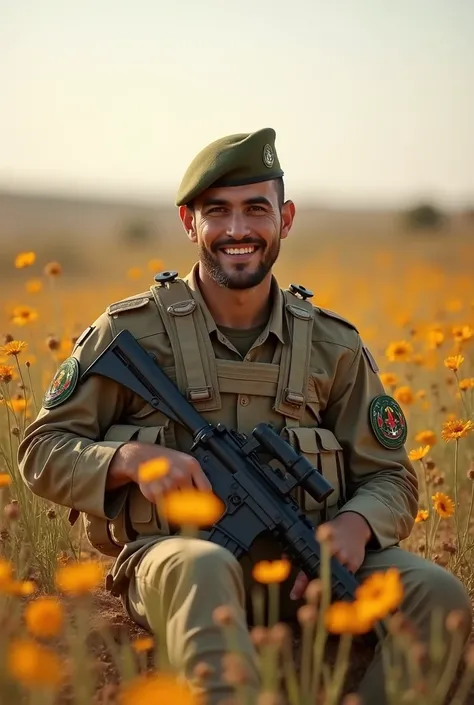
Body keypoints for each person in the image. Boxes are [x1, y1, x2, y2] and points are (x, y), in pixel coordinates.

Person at [18, 128, 471, 705]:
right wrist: (127, 459)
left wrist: (355, 527)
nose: (237, 231)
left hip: (309, 571)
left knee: (437, 592)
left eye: (256, 210)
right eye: (218, 212)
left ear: (285, 219)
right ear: (189, 222)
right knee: (205, 565)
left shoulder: (333, 345)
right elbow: (41, 449)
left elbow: (392, 475)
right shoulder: (131, 333)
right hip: (176, 564)